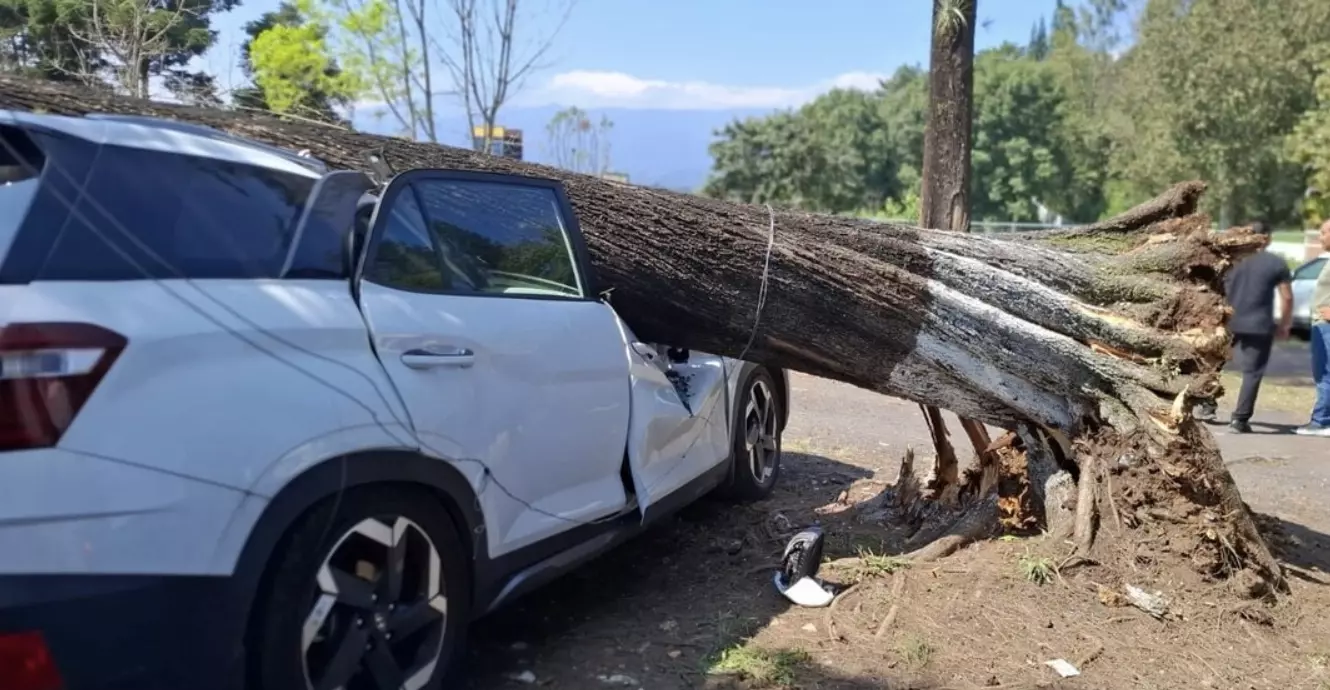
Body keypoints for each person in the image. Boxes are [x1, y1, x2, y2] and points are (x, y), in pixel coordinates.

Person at [1196, 221, 1293, 433]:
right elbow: (1286, 297)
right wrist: (1285, 324)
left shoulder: (1231, 260)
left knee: (1213, 363)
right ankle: (1239, 419)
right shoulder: (1275, 263)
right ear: (1266, 238)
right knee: (1252, 372)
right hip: (1259, 324)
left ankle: (1206, 404)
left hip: (1228, 320)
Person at [1295, 220, 1330, 437]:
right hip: (1321, 324)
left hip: (1327, 325)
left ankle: (1321, 421)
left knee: (1325, 374)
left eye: (1325, 232)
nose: (1321, 236)